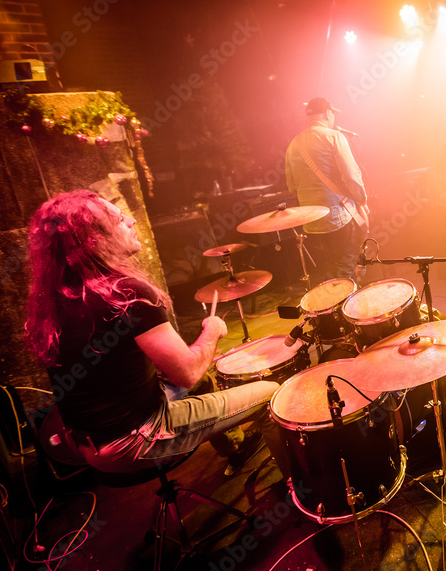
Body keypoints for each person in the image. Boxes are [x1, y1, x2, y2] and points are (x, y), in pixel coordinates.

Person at [24, 190, 289, 479]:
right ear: (95, 239)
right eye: (118, 219)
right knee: (271, 394)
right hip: (135, 440)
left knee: (204, 382)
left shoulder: (56, 298)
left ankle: (236, 447)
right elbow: (186, 373)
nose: (132, 219)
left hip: (86, 445)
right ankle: (302, 490)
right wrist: (212, 331)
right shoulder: (126, 294)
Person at [285, 96, 368, 284]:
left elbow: (291, 187)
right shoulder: (334, 137)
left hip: (312, 223)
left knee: (330, 274)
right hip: (339, 218)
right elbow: (352, 177)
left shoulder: (293, 145)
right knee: (347, 270)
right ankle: (347, 308)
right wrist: (362, 201)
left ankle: (332, 309)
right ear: (328, 113)